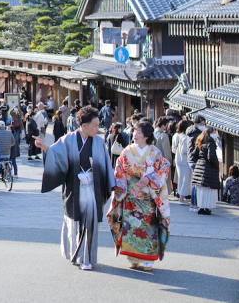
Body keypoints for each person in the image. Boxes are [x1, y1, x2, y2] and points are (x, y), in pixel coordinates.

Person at [35, 106, 116, 271]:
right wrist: (45, 148)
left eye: (98, 125)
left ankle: (86, 258)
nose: (97, 129)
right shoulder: (68, 140)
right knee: (75, 223)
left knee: (91, 222)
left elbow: (107, 165)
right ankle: (77, 254)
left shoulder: (100, 142)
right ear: (83, 126)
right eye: (94, 125)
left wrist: (113, 185)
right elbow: (55, 155)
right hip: (75, 188)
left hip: (93, 189)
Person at [107, 120, 171, 272]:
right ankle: (133, 257)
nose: (135, 134)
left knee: (147, 226)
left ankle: (148, 259)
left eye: (139, 132)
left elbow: (164, 168)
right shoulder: (127, 151)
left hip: (147, 198)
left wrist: (149, 179)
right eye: (135, 131)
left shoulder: (155, 153)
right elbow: (120, 170)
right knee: (131, 227)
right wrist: (121, 186)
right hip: (130, 197)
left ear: (147, 136)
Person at [191, 127, 220, 215]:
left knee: (201, 190)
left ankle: (201, 207)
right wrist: (216, 164)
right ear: (210, 134)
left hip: (199, 167)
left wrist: (199, 161)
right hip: (208, 168)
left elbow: (193, 154)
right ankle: (206, 208)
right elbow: (211, 157)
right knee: (208, 190)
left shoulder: (200, 142)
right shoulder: (210, 143)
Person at [172, 119, 192, 205]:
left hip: (178, 158)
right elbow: (184, 150)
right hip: (184, 160)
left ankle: (181, 196)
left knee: (180, 178)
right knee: (185, 179)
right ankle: (181, 198)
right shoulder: (186, 137)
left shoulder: (176, 135)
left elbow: (173, 149)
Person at [154, 117, 174, 194]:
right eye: (166, 125)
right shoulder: (164, 135)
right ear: (163, 126)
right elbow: (166, 151)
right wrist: (169, 162)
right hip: (161, 162)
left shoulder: (153, 133)